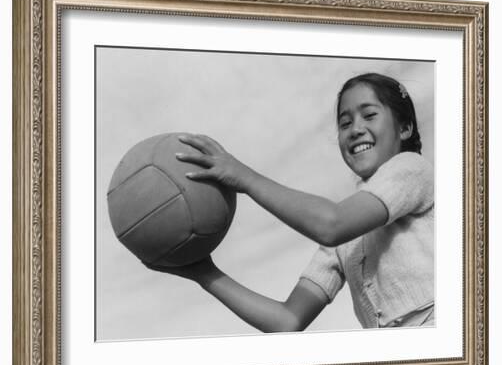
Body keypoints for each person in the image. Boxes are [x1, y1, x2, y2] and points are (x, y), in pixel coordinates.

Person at [147, 72, 434, 331]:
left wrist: (242, 175)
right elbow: (287, 320)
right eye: (345, 123)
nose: (355, 129)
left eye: (369, 115)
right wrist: (203, 273)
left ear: (405, 127)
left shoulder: (411, 169)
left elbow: (332, 224)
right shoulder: (345, 243)